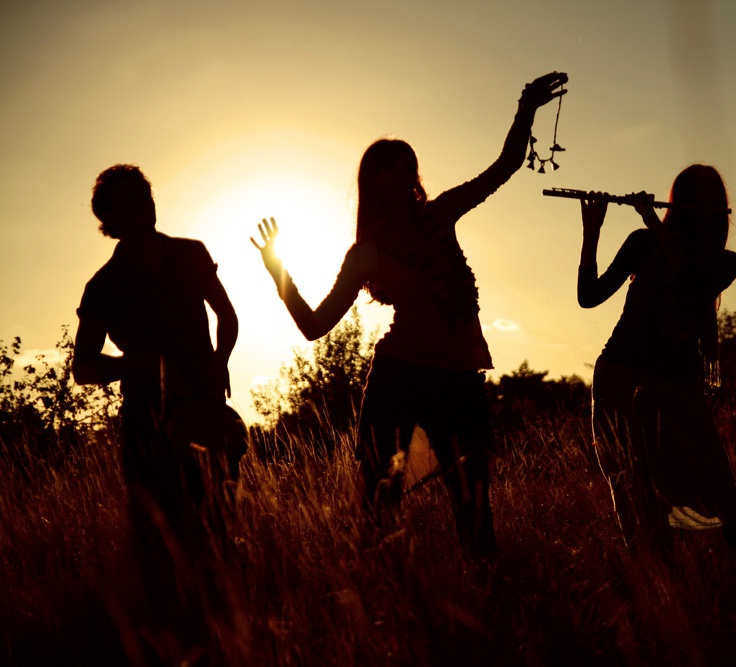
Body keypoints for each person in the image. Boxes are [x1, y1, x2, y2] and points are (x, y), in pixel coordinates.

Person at [251, 71, 569, 556]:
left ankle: (487, 591)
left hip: (459, 378)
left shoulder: (440, 215)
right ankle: (381, 594)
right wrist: (279, 273)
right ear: (374, 183)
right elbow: (315, 327)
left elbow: (504, 167)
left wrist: (526, 108)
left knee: (475, 505)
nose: (404, 177)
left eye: (409, 168)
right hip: (400, 379)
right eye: (392, 170)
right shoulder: (367, 254)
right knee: (380, 505)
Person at [73, 164, 245, 660]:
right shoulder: (104, 285)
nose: (141, 203)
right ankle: (169, 644)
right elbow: (83, 367)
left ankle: (226, 637)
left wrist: (219, 360)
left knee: (218, 532)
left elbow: (227, 315)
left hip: (205, 414)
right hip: (146, 426)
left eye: (143, 194)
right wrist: (139, 364)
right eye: (126, 199)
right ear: (107, 219)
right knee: (159, 543)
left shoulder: (190, 253)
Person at [577, 165, 736, 555]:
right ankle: (655, 571)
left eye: (709, 199)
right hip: (622, 371)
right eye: (694, 196)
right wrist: (592, 233)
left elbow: (692, 279)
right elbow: (588, 297)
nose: (701, 208)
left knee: (714, 477)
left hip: (678, 380)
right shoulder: (643, 242)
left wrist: (653, 223)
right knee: (632, 483)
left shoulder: (726, 262)